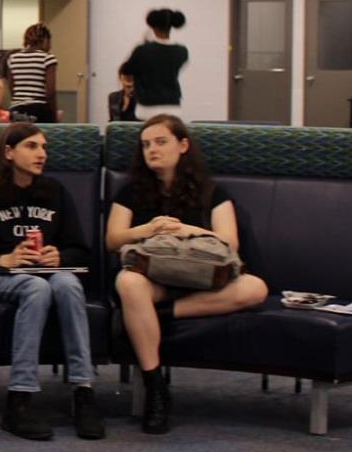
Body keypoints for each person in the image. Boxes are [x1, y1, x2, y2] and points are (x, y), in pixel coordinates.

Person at [104, 115, 267, 434]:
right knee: (128, 281)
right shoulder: (130, 192)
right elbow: (112, 239)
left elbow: (230, 242)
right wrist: (148, 229)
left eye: (161, 142)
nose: (152, 150)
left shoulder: (212, 191)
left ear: (183, 145)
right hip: (155, 277)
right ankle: (155, 386)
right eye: (146, 144)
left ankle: (153, 316)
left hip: (203, 280)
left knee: (256, 288)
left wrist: (186, 231)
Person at [0, 122, 103, 441]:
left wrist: (60, 257)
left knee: (68, 284)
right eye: (32, 146)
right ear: (9, 152)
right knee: (37, 288)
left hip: (46, 273)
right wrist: (1, 259)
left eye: (44, 147)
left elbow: (81, 250)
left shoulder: (55, 191)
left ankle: (83, 391)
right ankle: (19, 398)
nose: (41, 154)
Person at [0, 24, 58, 122]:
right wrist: (53, 114)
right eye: (50, 42)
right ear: (45, 40)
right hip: (39, 109)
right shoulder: (48, 58)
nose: (50, 46)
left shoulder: (13, 58)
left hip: (17, 110)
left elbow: (12, 88)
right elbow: (50, 92)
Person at [123, 9, 188, 118]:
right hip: (173, 106)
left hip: (147, 107)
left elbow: (127, 71)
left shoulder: (142, 50)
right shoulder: (182, 51)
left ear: (153, 27)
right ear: (171, 27)